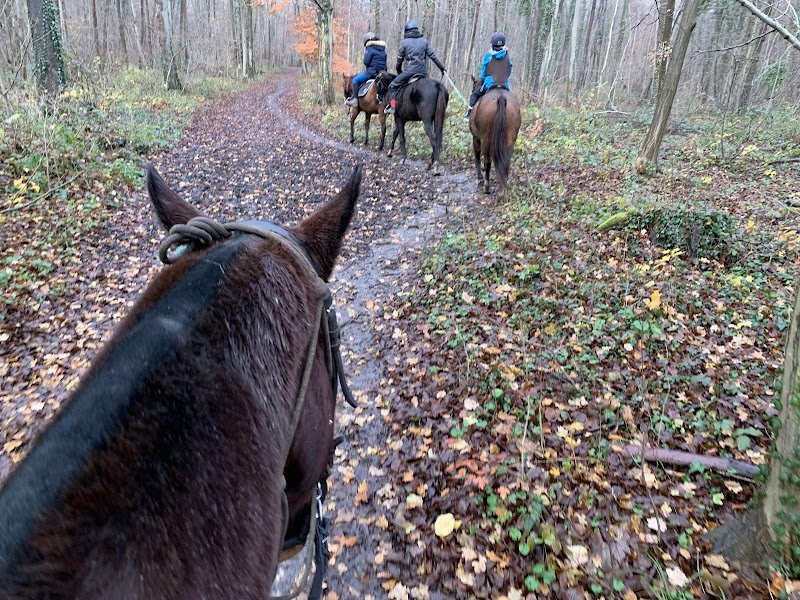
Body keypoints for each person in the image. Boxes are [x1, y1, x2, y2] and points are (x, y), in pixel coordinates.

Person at [384, 20, 446, 115]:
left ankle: (392, 107)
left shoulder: (404, 43)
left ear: (406, 31)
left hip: (409, 72)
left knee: (392, 86)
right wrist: (441, 68)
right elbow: (433, 56)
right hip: (423, 73)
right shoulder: (424, 41)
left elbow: (399, 61)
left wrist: (399, 71)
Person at [464, 32, 512, 122]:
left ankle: (469, 114)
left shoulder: (488, 55)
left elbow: (483, 73)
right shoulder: (507, 55)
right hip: (505, 84)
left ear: (492, 44)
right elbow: (509, 70)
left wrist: (485, 79)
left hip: (490, 84)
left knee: (474, 95)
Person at [345, 32, 388, 106]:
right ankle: (392, 105)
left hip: (371, 73)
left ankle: (355, 100)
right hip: (382, 74)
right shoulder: (383, 50)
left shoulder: (370, 48)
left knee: (355, 80)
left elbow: (366, 62)